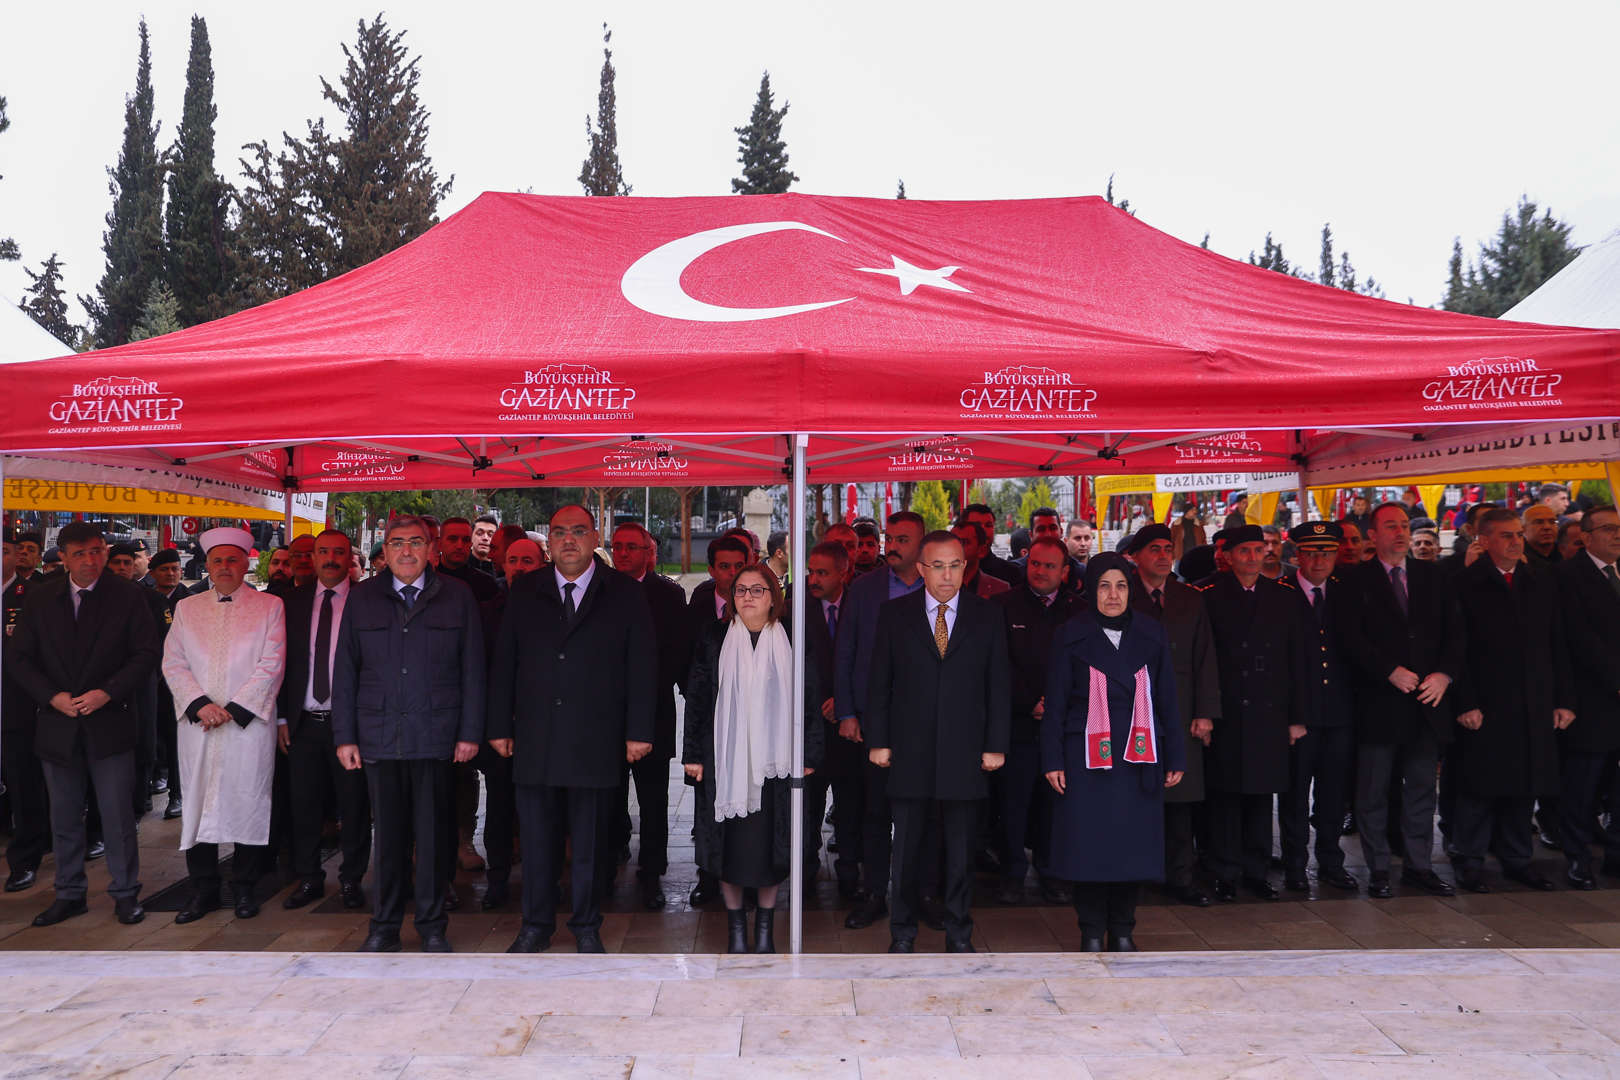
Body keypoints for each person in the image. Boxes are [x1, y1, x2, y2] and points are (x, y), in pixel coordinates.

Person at [487, 505, 655, 954]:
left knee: (591, 842)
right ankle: (535, 926)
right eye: (559, 532)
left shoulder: (622, 592)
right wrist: (499, 724)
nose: (568, 540)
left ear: (594, 536)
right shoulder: (526, 592)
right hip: (536, 736)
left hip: (596, 736)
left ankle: (586, 925)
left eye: (578, 531)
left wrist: (639, 730)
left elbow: (642, 666)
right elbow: (505, 663)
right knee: (538, 842)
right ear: (549, 539)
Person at [332, 515, 485, 953]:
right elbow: (345, 672)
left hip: (437, 735)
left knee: (436, 838)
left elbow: (473, 670)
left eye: (415, 542)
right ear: (384, 549)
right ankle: (384, 925)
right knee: (390, 839)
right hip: (379, 735)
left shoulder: (457, 597)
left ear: (431, 548)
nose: (406, 551)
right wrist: (345, 736)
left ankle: (433, 925)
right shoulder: (363, 598)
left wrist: (470, 731)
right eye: (397, 543)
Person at [865, 530, 1009, 953]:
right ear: (921, 570)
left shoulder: (987, 615)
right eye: (938, 566)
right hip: (909, 750)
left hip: (966, 751)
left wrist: (995, 744)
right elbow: (879, 683)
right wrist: (879, 740)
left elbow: (998, 683)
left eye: (955, 565)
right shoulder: (895, 614)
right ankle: (903, 931)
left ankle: (959, 932)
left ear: (966, 567)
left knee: (962, 850)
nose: (947, 576)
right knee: (907, 847)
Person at [9, 521, 159, 927]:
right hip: (57, 724)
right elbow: (19, 658)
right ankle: (69, 893)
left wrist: (107, 693)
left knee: (117, 816)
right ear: (63, 558)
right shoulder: (41, 599)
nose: (91, 560)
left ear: (106, 552)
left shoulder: (128, 597)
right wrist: (52, 697)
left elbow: (146, 655)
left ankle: (126, 893)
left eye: (97, 551)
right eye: (80, 553)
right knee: (64, 817)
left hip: (109, 721)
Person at [1043, 553, 1185, 951]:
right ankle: (1090, 930)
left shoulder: (1152, 634)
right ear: (1092, 590)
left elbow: (1167, 700)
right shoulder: (1071, 634)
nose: (1113, 595)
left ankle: (1123, 929)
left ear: (1131, 589)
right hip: (1086, 757)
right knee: (1089, 849)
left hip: (1137, 757)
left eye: (1121, 586)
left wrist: (1176, 755)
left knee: (1130, 848)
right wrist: (1052, 759)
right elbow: (1055, 704)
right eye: (1104, 585)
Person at [684, 564, 822, 953]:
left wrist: (809, 752)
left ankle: (763, 929)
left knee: (771, 850)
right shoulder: (713, 637)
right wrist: (693, 755)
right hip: (725, 763)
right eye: (740, 590)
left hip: (775, 764)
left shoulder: (793, 636)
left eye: (757, 590)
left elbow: (810, 697)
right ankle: (736, 931)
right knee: (727, 849)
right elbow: (696, 699)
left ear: (773, 596)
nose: (747, 597)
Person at [1334, 502, 1463, 898]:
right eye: (1390, 526)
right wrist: (1388, 669)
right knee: (1373, 792)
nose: (1401, 532)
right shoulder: (1355, 581)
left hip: (1427, 703)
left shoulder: (1433, 575)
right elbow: (1349, 637)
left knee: (1422, 790)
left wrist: (1444, 674)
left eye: (1405, 525)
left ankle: (1419, 866)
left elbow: (1456, 632)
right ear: (1373, 535)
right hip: (1379, 703)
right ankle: (1378, 869)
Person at [162, 528, 287, 923]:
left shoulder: (270, 606)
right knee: (197, 802)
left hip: (246, 725)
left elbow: (272, 663)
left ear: (248, 563)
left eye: (233, 559)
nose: (225, 567)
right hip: (198, 725)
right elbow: (173, 662)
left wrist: (233, 709)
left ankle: (246, 888)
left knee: (248, 799)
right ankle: (203, 890)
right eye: (218, 560)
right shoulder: (187, 608)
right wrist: (200, 705)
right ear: (208, 566)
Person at [1448, 508, 1570, 893]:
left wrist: (1562, 700)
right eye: (1506, 535)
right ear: (1483, 541)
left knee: (1524, 784)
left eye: (1518, 534)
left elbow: (1558, 643)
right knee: (1479, 787)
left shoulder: (1541, 580)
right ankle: (1469, 860)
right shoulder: (1464, 584)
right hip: (1485, 703)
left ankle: (1518, 860)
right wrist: (1465, 701)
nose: (1516, 541)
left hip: (1533, 701)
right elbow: (1455, 649)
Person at [1195, 525, 1306, 901]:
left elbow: (1297, 660)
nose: (1254, 558)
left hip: (1269, 712)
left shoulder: (1284, 597)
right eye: (1245, 551)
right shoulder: (1209, 596)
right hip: (1227, 712)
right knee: (1225, 797)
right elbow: (1202, 660)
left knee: (1261, 795)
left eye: (1259, 550)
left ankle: (1256, 871)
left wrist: (1296, 717)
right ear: (1228, 555)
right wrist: (1205, 712)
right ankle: (1224, 871)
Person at [834, 511, 927, 931]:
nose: (893, 546)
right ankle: (874, 892)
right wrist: (849, 712)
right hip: (874, 719)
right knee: (874, 810)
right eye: (891, 538)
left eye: (903, 539)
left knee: (925, 812)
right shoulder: (865, 590)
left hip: (926, 720)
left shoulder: (936, 586)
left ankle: (921, 894)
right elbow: (846, 652)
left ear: (923, 546)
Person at [278, 529, 371, 912]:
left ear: (351, 558)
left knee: (354, 807)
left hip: (352, 724)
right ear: (311, 558)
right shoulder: (290, 602)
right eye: (323, 552)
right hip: (302, 723)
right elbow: (281, 663)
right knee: (304, 805)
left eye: (339, 552)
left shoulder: (369, 601)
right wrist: (282, 716)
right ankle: (309, 877)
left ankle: (352, 880)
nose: (331, 559)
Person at [1127, 524, 1220, 907]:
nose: (1164, 556)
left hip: (1180, 711)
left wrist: (1205, 713)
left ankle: (1180, 876)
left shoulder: (1189, 598)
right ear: (1136, 556)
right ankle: (1134, 875)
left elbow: (1205, 657)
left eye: (1168, 548)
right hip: (1132, 712)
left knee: (1180, 800)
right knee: (1135, 798)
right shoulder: (1120, 594)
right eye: (1154, 549)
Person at [608, 522, 691, 910]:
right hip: (604, 715)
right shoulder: (599, 588)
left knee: (654, 799)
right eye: (617, 546)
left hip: (653, 711)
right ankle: (609, 862)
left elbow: (676, 653)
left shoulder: (668, 595)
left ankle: (651, 873)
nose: (622, 553)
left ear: (648, 552)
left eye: (631, 547)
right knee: (607, 796)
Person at [995, 536, 1082, 905]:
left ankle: (1052, 873)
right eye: (1035, 563)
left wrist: (1058, 704)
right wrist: (1030, 702)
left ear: (1064, 572)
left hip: (1062, 729)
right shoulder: (1002, 606)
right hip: (1017, 726)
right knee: (1012, 806)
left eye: (1050, 566)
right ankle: (1012, 874)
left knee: (1055, 805)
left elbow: (1085, 665)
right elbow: (997, 665)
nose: (1040, 571)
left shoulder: (1079, 610)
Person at [1277, 521, 1359, 893]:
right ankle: (1295, 865)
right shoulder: (1280, 593)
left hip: (1339, 713)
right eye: (1311, 553)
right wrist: (1292, 715)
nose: (1319, 560)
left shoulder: (1346, 593)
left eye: (1326, 552)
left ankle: (1331, 861)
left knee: (1333, 794)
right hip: (1300, 715)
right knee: (1294, 794)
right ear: (1298, 556)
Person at [1554, 505, 1620, 888]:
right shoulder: (1567, 576)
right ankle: (1577, 857)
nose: (1616, 535)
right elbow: (1578, 638)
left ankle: (1616, 854)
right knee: (1582, 786)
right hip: (1591, 700)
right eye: (1608, 528)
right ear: (1586, 537)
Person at [685, 533, 751, 907]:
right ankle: (709, 878)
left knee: (750, 809)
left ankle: (751, 877)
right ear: (711, 571)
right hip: (710, 732)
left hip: (753, 733)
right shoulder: (700, 610)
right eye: (723, 566)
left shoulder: (772, 615)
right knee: (708, 812)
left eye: (738, 565)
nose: (731, 574)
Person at [802, 539, 865, 899]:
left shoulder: (862, 607)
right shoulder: (795, 610)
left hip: (848, 727)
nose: (814, 578)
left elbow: (869, 661)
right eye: (811, 570)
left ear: (845, 572)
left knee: (851, 806)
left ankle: (848, 876)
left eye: (823, 572)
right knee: (808, 808)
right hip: (808, 727)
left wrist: (845, 702)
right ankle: (807, 874)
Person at [2, 529, 48, 893]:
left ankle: (25, 859)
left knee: (23, 784)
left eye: (3, 551)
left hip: (17, 707)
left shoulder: (34, 596)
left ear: (16, 555)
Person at [438, 518, 499, 603]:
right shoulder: (424, 579)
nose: (459, 546)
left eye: (465, 540)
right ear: (439, 544)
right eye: (453, 539)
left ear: (470, 543)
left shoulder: (485, 584)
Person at [959, 504, 1017, 584]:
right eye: (977, 525)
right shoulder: (950, 570)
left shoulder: (1011, 573)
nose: (984, 531)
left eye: (988, 525)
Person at [953, 521, 1009, 599]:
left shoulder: (999, 589)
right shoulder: (933, 585)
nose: (955, 548)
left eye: (964, 542)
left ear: (981, 550)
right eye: (951, 542)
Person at [1522, 504, 1561, 569]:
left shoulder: (1565, 554)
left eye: (1552, 522)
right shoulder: (1518, 559)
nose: (1547, 527)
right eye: (1539, 522)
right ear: (1523, 529)